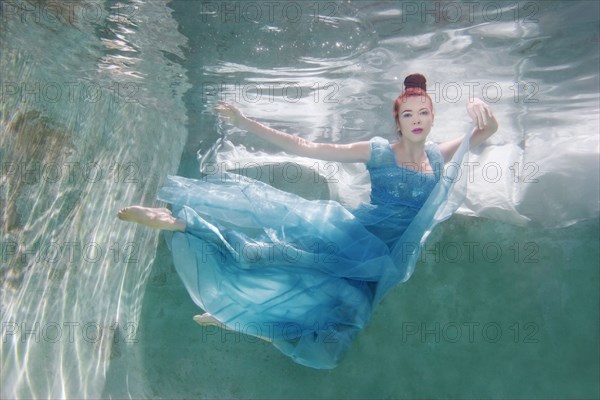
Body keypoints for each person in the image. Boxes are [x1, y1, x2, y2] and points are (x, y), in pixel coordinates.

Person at [118, 73, 498, 369]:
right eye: (408, 114)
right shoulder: (380, 152)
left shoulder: (437, 156)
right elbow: (308, 148)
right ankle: (183, 223)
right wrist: (245, 121)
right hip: (350, 242)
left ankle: (240, 321)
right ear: (397, 121)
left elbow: (485, 131)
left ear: (432, 118)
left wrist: (478, 105)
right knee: (257, 257)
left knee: (328, 352)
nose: (417, 121)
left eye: (424, 113)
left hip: (379, 267)